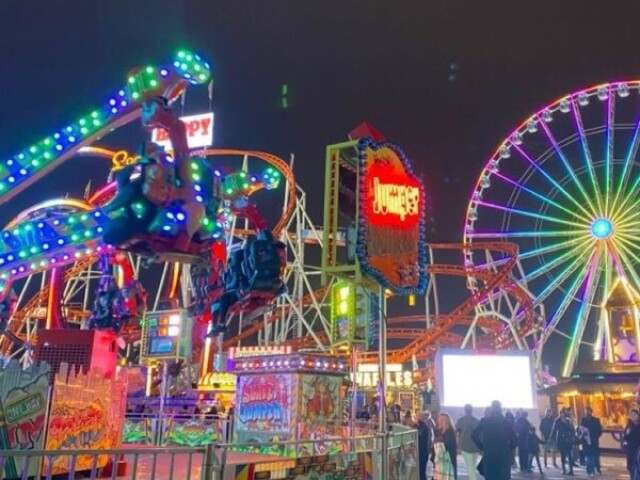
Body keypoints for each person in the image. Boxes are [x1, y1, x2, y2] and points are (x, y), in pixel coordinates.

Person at [472, 400, 516, 480]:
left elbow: (474, 435)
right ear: (500, 409)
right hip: (503, 456)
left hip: (489, 455)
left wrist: (482, 446)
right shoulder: (506, 422)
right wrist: (507, 448)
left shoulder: (484, 421)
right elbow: (515, 440)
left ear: (491, 409)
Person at [456, 404, 480, 480]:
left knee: (470, 466)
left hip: (465, 446)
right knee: (472, 465)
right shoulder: (476, 420)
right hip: (476, 446)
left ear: (465, 410)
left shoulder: (461, 420)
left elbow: (456, 430)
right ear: (472, 410)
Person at [551, 408, 576, 475]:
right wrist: (552, 438)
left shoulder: (567, 420)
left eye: (563, 413)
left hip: (568, 439)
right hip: (561, 439)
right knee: (563, 455)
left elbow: (571, 429)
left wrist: (572, 436)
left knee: (569, 454)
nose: (562, 414)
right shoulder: (557, 420)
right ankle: (564, 469)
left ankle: (571, 470)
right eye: (561, 413)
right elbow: (554, 429)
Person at [434, 412, 457, 480]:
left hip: (448, 460)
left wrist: (438, 443)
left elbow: (447, 446)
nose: (439, 422)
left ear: (446, 421)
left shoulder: (449, 432)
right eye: (439, 420)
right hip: (441, 461)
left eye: (441, 420)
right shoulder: (441, 431)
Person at [581, 406, 603, 474]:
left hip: (594, 440)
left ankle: (596, 468)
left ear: (591, 412)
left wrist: (595, 436)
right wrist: (583, 434)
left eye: (588, 411)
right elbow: (581, 429)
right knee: (588, 456)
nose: (587, 413)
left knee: (594, 455)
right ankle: (589, 470)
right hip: (586, 441)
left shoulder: (596, 420)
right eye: (586, 411)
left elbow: (599, 430)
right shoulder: (583, 420)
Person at [416, 412, 434, 480]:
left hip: (423, 451)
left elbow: (419, 435)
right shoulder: (421, 425)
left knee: (421, 470)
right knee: (421, 471)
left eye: (417, 416)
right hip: (422, 450)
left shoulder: (424, 426)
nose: (415, 418)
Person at [624, 408, 640, 480]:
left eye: (634, 414)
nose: (633, 416)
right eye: (631, 415)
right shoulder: (629, 426)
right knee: (631, 469)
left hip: (638, 450)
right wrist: (627, 434)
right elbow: (625, 439)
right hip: (631, 451)